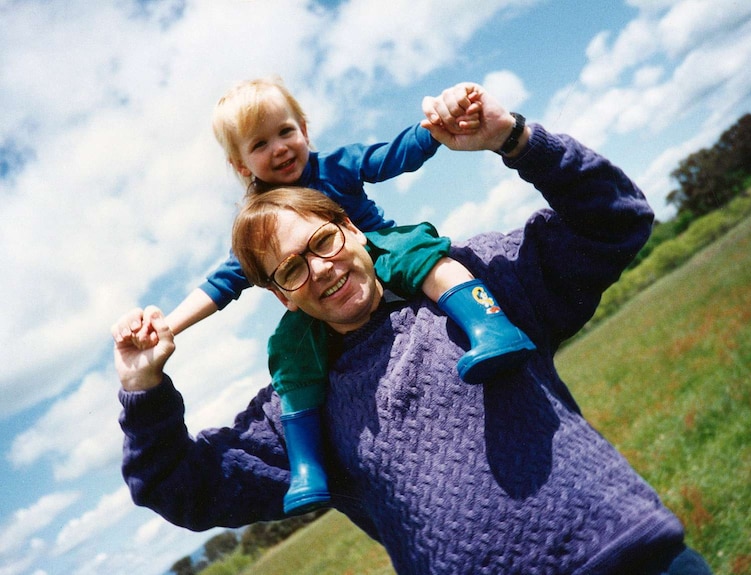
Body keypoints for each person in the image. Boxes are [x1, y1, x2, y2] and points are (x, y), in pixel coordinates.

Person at [113, 83, 712, 575]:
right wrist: (143, 387)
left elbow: (613, 223)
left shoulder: (483, 280)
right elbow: (181, 486)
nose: (320, 269)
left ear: (350, 227)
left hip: (635, 559)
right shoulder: (304, 396)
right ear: (278, 295)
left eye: (323, 241)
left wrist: (512, 138)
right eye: (292, 268)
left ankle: (488, 333)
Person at [154, 77, 535, 516]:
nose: (279, 147)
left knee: (420, 251)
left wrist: (434, 128)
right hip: (320, 298)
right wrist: (168, 326)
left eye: (285, 131)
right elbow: (223, 283)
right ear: (242, 167)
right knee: (287, 348)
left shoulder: (336, 166)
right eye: (260, 144)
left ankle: (490, 328)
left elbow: (390, 157)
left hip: (378, 251)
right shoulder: (261, 224)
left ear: (305, 130)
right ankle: (307, 468)